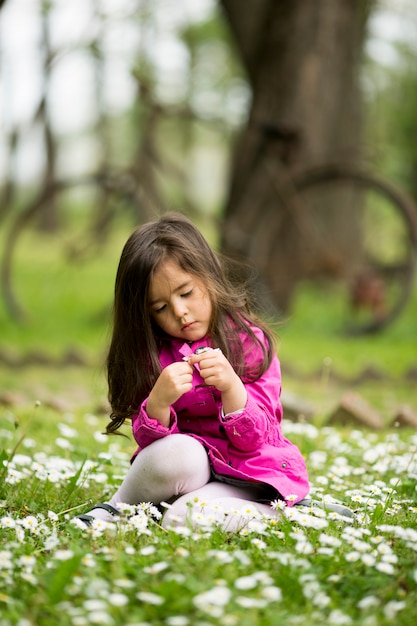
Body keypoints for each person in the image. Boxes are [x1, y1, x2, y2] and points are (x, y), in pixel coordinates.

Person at [76, 213, 350, 531]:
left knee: (181, 519)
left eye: (186, 293)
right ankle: (118, 508)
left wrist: (232, 388)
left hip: (248, 476)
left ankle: (293, 515)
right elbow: (153, 452)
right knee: (178, 455)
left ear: (209, 278)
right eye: (161, 308)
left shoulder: (248, 342)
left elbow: (256, 438)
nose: (180, 312)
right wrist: (158, 404)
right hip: (193, 472)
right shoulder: (154, 355)